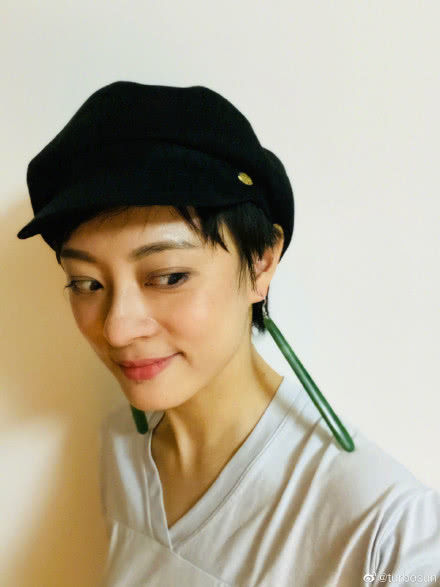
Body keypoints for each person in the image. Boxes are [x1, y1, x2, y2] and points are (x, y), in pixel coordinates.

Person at [17, 81, 440, 586]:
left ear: (261, 263)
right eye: (87, 283)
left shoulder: (379, 531)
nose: (117, 327)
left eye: (169, 276)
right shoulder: (122, 450)